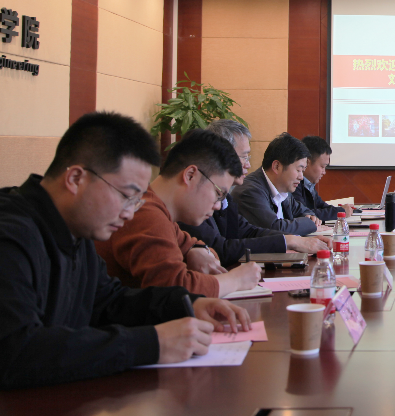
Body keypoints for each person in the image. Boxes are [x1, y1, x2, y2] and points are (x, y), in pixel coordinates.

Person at [0, 112, 251, 389]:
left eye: (137, 200)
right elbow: (16, 351)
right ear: (76, 178)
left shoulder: (77, 231)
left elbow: (109, 301)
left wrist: (187, 304)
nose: (130, 214)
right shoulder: (12, 234)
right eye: (126, 196)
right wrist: (151, 343)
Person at [96, 130, 262, 297]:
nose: (218, 206)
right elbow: (174, 289)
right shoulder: (145, 213)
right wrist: (236, 280)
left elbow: (197, 246)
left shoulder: (159, 211)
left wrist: (195, 249)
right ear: (190, 175)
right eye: (218, 194)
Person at [178, 120, 328, 265]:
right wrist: (290, 240)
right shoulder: (193, 200)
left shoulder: (226, 198)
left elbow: (248, 231)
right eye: (244, 157)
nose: (248, 164)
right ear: (218, 156)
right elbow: (221, 249)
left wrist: (296, 240)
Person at [232, 132, 320, 235]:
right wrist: (310, 224)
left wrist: (310, 216)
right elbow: (275, 229)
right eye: (298, 170)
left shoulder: (283, 189)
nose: (301, 177)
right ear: (277, 166)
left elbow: (303, 210)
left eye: (303, 171)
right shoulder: (250, 191)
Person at [293, 135, 354, 221]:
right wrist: (340, 211)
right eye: (322, 167)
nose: (324, 172)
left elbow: (321, 206)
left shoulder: (309, 184)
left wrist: (343, 209)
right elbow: (305, 214)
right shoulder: (294, 184)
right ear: (307, 162)